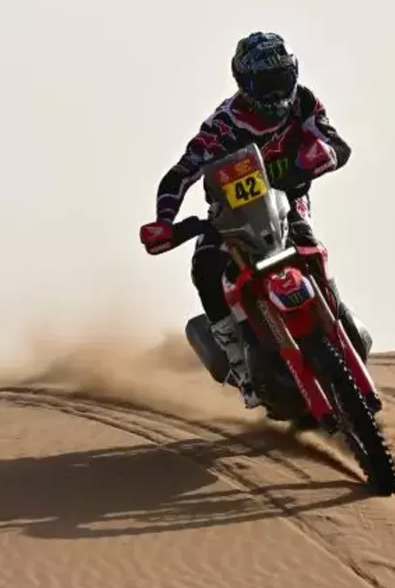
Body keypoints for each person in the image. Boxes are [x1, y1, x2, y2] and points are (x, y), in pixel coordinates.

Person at [138, 31, 353, 409]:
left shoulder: (303, 102)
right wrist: (165, 220)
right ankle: (240, 367)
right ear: (244, 82)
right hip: (232, 218)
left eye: (282, 78)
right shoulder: (222, 126)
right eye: (266, 83)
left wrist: (323, 157)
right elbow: (180, 175)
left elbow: (337, 143)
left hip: (288, 203)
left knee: (309, 244)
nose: (277, 92)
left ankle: (340, 325)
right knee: (205, 267)